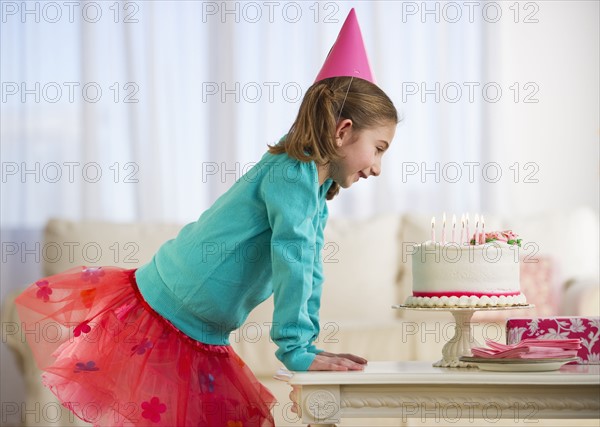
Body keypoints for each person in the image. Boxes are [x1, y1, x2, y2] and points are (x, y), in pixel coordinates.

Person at [15, 8, 398, 427]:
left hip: (200, 327)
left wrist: (306, 344)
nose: (377, 167)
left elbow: (309, 268)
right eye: (378, 148)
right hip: (168, 314)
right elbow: (294, 259)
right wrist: (295, 349)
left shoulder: (312, 190)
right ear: (342, 131)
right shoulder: (291, 172)